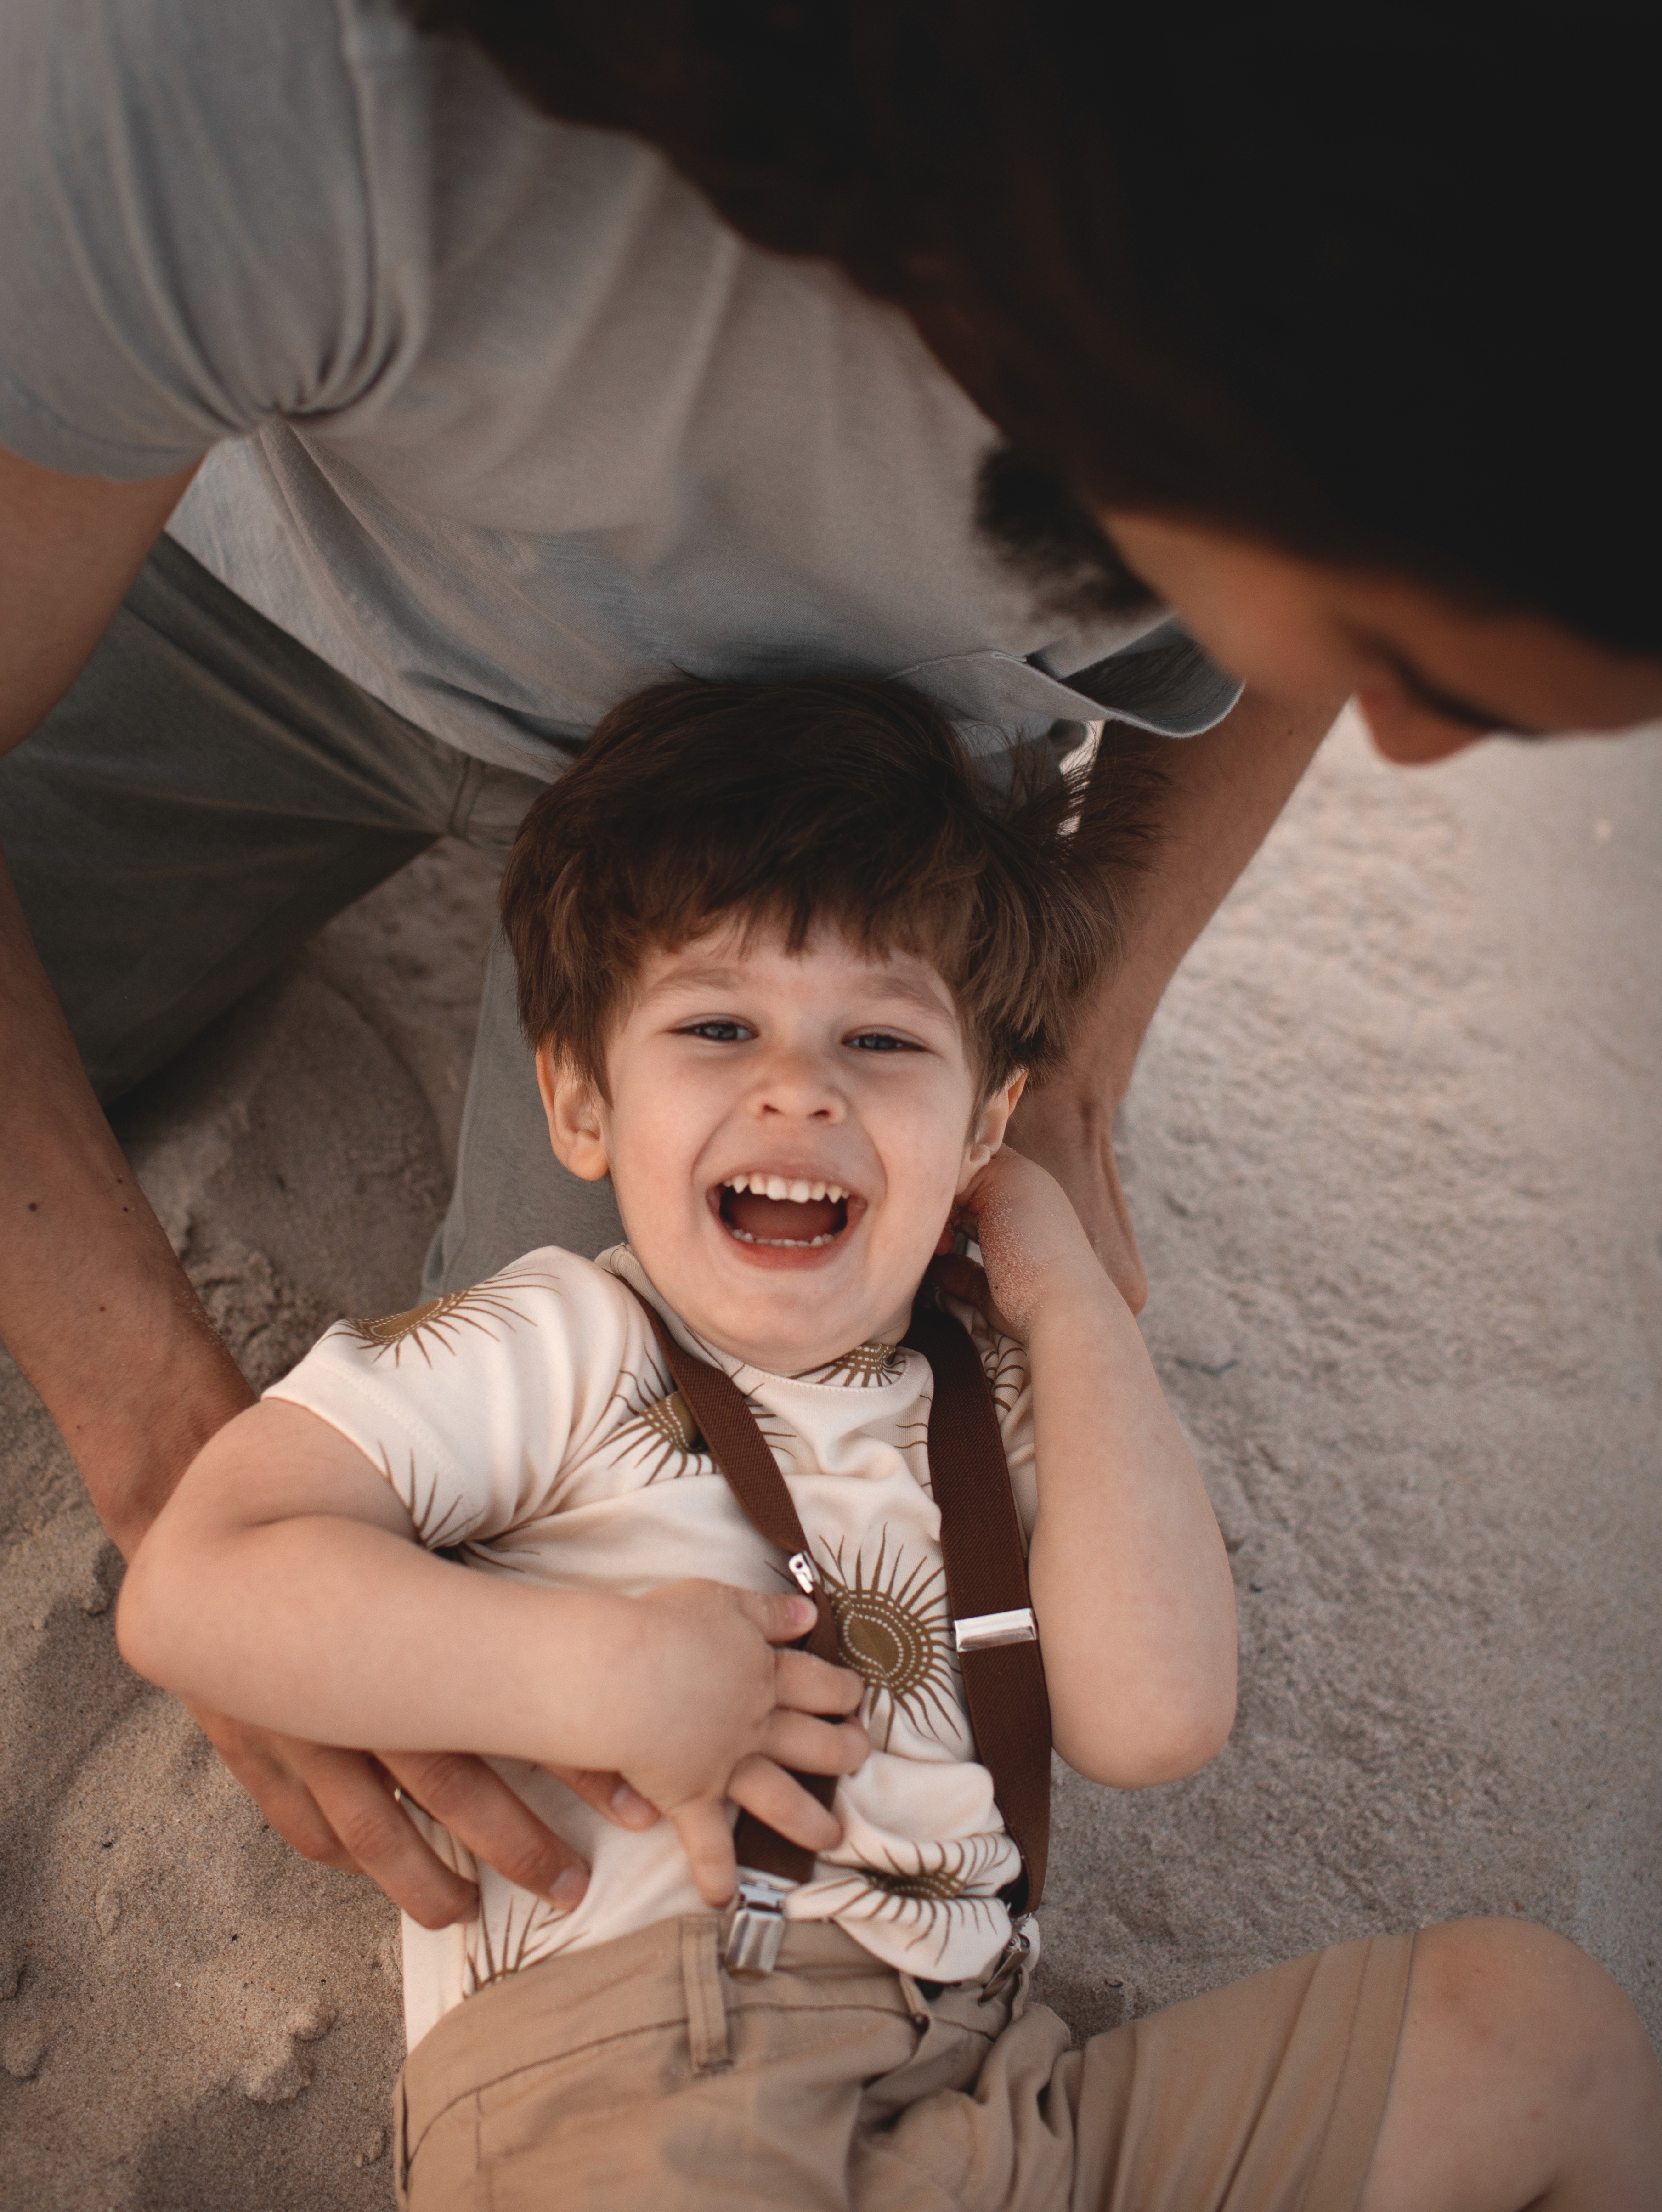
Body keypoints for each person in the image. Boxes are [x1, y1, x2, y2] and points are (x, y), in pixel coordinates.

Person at [5, 0, 1661, 1934]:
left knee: (609, 1543)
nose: (1400, 756)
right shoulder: (292, 75)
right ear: (1240, 354)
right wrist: (172, 1454)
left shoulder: (1458, 222)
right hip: (267, 597)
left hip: (835, 789)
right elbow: (229, 1569)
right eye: (1427, 671)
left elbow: (1139, 1704)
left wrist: (1084, 1035)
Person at [115, 679, 1662, 2212]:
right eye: (715, 1025)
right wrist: (586, 1673)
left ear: (980, 1128)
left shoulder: (985, 1401)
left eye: (881, 1044)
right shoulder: (561, 1343)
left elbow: (1153, 1714)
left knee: (1536, 2035)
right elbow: (203, 1585)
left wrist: (1069, 1304)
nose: (799, 1085)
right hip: (666, 2190)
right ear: (577, 1100)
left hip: (1006, 2145)